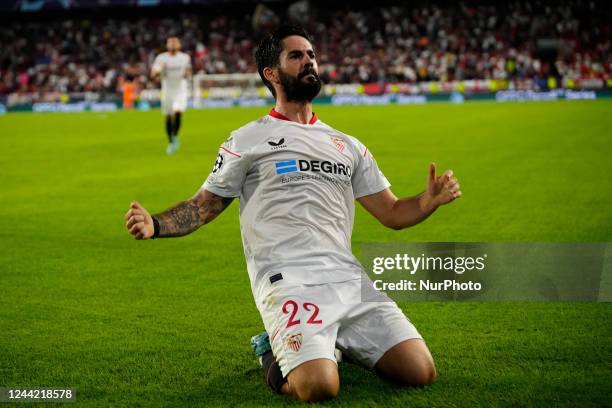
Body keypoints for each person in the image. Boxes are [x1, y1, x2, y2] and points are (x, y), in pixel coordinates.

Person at [125, 25, 462, 402]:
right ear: (271, 73)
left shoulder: (347, 145)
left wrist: (427, 202)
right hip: (289, 281)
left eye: (312, 55)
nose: (309, 62)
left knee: (420, 372)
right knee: (318, 388)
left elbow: (393, 211)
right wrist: (155, 224)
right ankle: (271, 349)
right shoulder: (247, 139)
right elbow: (203, 206)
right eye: (296, 56)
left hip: (347, 277)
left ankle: (332, 343)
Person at [151, 36, 192, 154]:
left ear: (179, 45)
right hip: (167, 90)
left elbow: (188, 71)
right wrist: (159, 71)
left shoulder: (185, 57)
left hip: (180, 90)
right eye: (170, 43)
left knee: (178, 112)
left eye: (175, 42)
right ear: (167, 45)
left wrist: (186, 74)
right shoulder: (161, 58)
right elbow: (153, 75)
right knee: (169, 115)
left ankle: (175, 136)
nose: (173, 44)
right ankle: (171, 141)